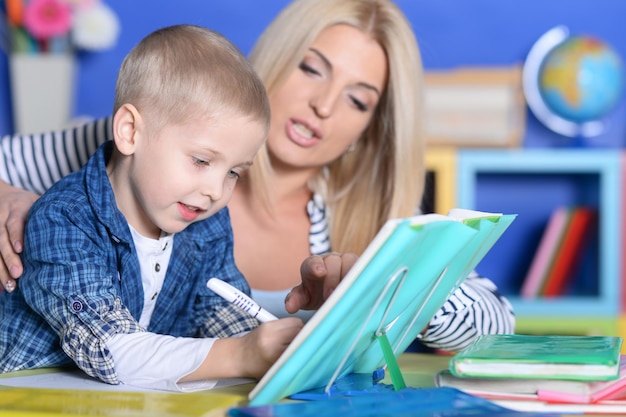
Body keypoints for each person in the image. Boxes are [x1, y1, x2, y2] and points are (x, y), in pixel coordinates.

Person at [0, 0, 514, 352]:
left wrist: (391, 288)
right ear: (270, 63)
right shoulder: (136, 142)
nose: (324, 105)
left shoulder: (369, 217)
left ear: (368, 129)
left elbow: (497, 324)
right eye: (311, 69)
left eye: (358, 100)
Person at [0, 24, 311, 391]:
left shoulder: (205, 224)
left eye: (233, 172)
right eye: (200, 160)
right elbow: (111, 348)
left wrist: (280, 349)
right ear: (130, 132)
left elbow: (219, 311)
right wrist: (241, 354)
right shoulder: (63, 218)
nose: (215, 190)